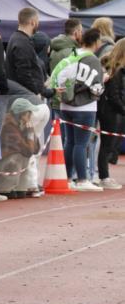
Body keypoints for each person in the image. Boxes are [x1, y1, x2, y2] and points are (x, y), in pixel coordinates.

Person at [49, 27, 105, 191]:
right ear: (96, 42)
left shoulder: (72, 54)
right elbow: (96, 87)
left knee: (70, 142)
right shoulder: (92, 59)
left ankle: (67, 178)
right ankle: (82, 179)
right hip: (85, 106)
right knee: (82, 143)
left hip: (65, 104)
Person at [0, 99, 49, 198]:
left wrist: (30, 131)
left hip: (8, 162)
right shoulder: (9, 125)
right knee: (17, 157)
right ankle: (3, 188)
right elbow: (29, 151)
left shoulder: (20, 124)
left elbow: (35, 149)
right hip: (1, 163)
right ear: (22, 114)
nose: (31, 116)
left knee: (23, 157)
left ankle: (19, 187)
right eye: (29, 113)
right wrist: (30, 132)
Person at [5, 8, 54, 99]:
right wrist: (39, 92)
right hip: (25, 97)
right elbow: (25, 73)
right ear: (33, 22)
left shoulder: (16, 38)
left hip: (21, 95)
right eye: (37, 21)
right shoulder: (22, 42)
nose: (38, 24)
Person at [97, 38, 125, 188]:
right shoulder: (116, 70)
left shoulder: (112, 67)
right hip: (110, 111)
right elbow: (114, 95)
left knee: (106, 144)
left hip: (109, 110)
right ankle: (104, 176)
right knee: (107, 145)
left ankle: (102, 175)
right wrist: (123, 109)